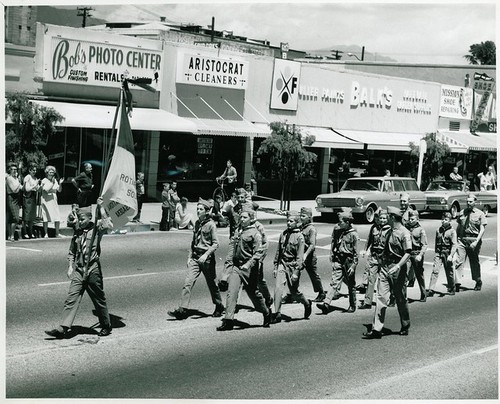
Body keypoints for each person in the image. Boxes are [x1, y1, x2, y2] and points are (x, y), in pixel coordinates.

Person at [45, 198, 114, 339]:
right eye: (79, 219)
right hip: (80, 269)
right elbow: (72, 252)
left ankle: (106, 324)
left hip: (93, 269)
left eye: (82, 219)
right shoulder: (77, 232)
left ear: (90, 218)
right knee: (71, 298)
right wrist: (70, 266)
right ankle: (63, 328)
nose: (80, 221)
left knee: (98, 299)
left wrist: (101, 208)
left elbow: (109, 224)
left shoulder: (96, 229)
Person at [168, 198, 224, 320]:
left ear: (207, 211)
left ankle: (219, 305)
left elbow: (216, 244)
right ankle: (182, 309)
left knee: (212, 284)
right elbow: (193, 242)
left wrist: (206, 255)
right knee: (188, 282)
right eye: (197, 209)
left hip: (207, 259)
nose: (198, 211)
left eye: (201, 209)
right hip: (195, 258)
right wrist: (189, 257)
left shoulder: (211, 225)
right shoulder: (198, 223)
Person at [216, 209, 271, 331]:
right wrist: (227, 269)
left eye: (244, 218)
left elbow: (258, 253)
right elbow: (232, 249)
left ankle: (266, 312)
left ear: (251, 219)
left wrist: (248, 264)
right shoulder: (238, 231)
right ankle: (228, 320)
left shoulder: (255, 234)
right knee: (232, 292)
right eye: (240, 217)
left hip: (249, 269)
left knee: (254, 294)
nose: (241, 219)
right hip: (237, 266)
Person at [363, 206, 412, 339]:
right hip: (385, 267)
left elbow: (408, 253)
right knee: (381, 297)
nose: (384, 219)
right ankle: (377, 329)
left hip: (398, 269)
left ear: (392, 218)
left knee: (401, 299)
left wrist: (398, 266)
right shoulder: (388, 231)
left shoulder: (404, 233)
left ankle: (405, 324)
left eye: (388, 216)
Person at [272, 212, 312, 323]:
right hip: (283, 264)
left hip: (293, 266)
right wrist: (276, 266)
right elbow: (278, 252)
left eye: (291, 221)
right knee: (278, 289)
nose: (288, 223)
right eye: (288, 221)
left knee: (294, 292)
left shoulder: (300, 237)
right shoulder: (283, 234)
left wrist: (296, 272)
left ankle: (306, 303)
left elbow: (300, 257)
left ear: (297, 222)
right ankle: (277, 313)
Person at [316, 209, 358, 314]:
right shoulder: (337, 229)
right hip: (339, 258)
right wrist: (331, 253)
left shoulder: (353, 234)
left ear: (347, 222)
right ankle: (326, 303)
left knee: (351, 284)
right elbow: (334, 241)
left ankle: (352, 305)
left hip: (349, 260)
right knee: (335, 281)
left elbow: (356, 253)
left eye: (341, 222)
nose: (339, 223)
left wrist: (353, 266)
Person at [358, 209, 391, 310]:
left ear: (388, 219)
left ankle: (385, 300)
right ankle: (367, 302)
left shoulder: (390, 229)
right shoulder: (374, 228)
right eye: (380, 218)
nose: (382, 220)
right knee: (371, 279)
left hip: (384, 258)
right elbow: (369, 240)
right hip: (374, 257)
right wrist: (365, 250)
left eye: (384, 218)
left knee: (384, 281)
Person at [454, 193, 487, 292]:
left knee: (474, 262)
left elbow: (482, 229)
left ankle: (478, 280)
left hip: (473, 240)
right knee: (459, 261)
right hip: (462, 240)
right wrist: (456, 240)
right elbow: (459, 227)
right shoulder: (462, 212)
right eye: (467, 201)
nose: (468, 203)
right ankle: (457, 283)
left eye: (471, 201)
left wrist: (476, 242)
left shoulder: (480, 214)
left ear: (475, 202)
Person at [299, 207, 326, 302]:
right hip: (300, 256)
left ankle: (321, 292)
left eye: (303, 216)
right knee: (294, 273)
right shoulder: (300, 227)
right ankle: (291, 293)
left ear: (309, 217)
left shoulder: (311, 229)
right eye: (300, 215)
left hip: (309, 257)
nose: (301, 217)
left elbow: (312, 245)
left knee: (314, 275)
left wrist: (305, 254)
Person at [428, 212, 458, 296]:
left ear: (449, 221)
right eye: (442, 219)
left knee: (449, 272)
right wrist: (436, 253)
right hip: (439, 252)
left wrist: (451, 255)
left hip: (447, 253)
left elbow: (454, 244)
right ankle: (431, 289)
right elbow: (436, 242)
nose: (443, 221)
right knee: (435, 270)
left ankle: (451, 287)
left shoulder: (452, 232)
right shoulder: (438, 230)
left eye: (446, 220)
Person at [406, 210, 428, 302]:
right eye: (409, 219)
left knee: (419, 275)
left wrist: (420, 255)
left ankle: (423, 294)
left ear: (417, 219)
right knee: (404, 275)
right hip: (407, 254)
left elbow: (425, 245)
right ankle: (403, 296)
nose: (410, 220)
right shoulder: (406, 228)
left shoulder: (420, 230)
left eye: (412, 219)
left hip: (416, 253)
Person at [40, 165, 65, 238]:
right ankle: (45, 233)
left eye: (53, 173)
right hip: (46, 200)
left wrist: (60, 183)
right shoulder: (44, 180)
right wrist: (52, 183)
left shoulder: (55, 181)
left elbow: (59, 190)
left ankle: (57, 233)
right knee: (46, 217)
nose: (52, 174)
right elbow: (46, 189)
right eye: (50, 172)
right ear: (47, 173)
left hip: (54, 200)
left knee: (57, 216)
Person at [22, 164, 40, 239]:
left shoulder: (35, 178)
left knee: (32, 217)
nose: (34, 172)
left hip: (33, 197)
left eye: (35, 170)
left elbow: (37, 188)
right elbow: (27, 189)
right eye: (33, 170)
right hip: (27, 198)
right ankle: (25, 232)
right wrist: (35, 185)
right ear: (29, 170)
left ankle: (30, 231)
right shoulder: (27, 177)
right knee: (26, 216)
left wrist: (38, 186)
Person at [6, 164, 22, 241]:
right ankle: (11, 235)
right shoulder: (9, 178)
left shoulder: (16, 178)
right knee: (15, 218)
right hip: (11, 197)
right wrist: (19, 183)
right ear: (10, 170)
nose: (14, 170)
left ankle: (10, 235)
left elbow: (21, 188)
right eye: (13, 169)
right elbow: (13, 189)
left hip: (17, 198)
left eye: (15, 169)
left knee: (12, 218)